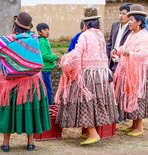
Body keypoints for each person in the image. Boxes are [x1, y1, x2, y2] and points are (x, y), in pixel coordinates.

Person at [55, 8, 118, 145]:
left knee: (85, 102)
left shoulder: (84, 35)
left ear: (85, 23)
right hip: (101, 75)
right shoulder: (100, 35)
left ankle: (93, 133)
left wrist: (65, 60)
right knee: (96, 103)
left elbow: (77, 54)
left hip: (89, 74)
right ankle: (89, 132)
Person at [0, 12, 51, 152]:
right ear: (28, 28)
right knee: (29, 111)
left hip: (11, 84)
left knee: (8, 110)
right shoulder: (34, 40)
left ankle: (6, 143)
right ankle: (30, 143)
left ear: (15, 26)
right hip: (32, 83)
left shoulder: (8, 41)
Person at [112, 4, 148, 136]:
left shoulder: (144, 36)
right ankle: (133, 124)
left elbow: (144, 55)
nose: (129, 23)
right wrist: (118, 50)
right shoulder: (132, 34)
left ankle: (139, 127)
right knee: (130, 97)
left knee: (137, 99)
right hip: (128, 73)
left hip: (138, 75)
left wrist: (130, 54)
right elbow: (125, 46)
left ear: (139, 22)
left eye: (131, 20)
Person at [106, 3, 132, 80]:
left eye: (124, 14)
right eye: (120, 13)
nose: (120, 16)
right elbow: (109, 43)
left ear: (129, 15)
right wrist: (107, 57)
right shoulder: (115, 25)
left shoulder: (131, 28)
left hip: (123, 60)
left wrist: (120, 57)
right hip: (112, 60)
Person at [36, 23, 58, 105]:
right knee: (48, 90)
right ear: (39, 32)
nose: (47, 31)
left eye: (48, 29)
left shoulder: (45, 40)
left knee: (47, 89)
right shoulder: (42, 41)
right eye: (45, 30)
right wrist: (56, 58)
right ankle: (48, 107)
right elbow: (44, 56)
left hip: (46, 69)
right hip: (44, 70)